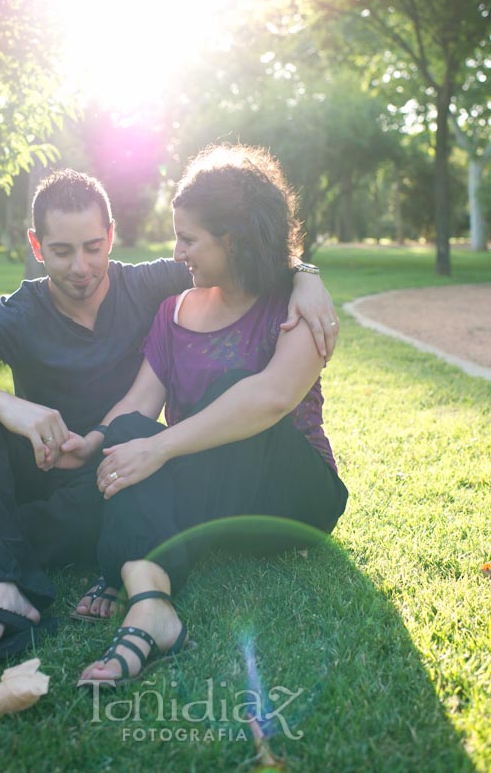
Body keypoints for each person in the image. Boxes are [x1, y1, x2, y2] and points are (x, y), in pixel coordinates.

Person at [0, 167, 339, 672]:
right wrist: (11, 407)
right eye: (62, 251)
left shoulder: (158, 283)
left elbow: (245, 262)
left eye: (92, 246)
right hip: (73, 461)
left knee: (136, 473)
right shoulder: (32, 312)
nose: (81, 266)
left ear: (110, 237)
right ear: (37, 247)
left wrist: (307, 275)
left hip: (159, 478)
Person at [55, 145, 348, 688]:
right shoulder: (175, 309)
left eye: (188, 238)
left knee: (227, 397)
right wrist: (98, 440)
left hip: (292, 497)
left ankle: (120, 563)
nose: (178, 250)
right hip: (214, 496)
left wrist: (159, 449)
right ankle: (151, 603)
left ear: (231, 240)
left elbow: (271, 399)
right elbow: (140, 404)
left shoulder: (298, 304)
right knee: (127, 433)